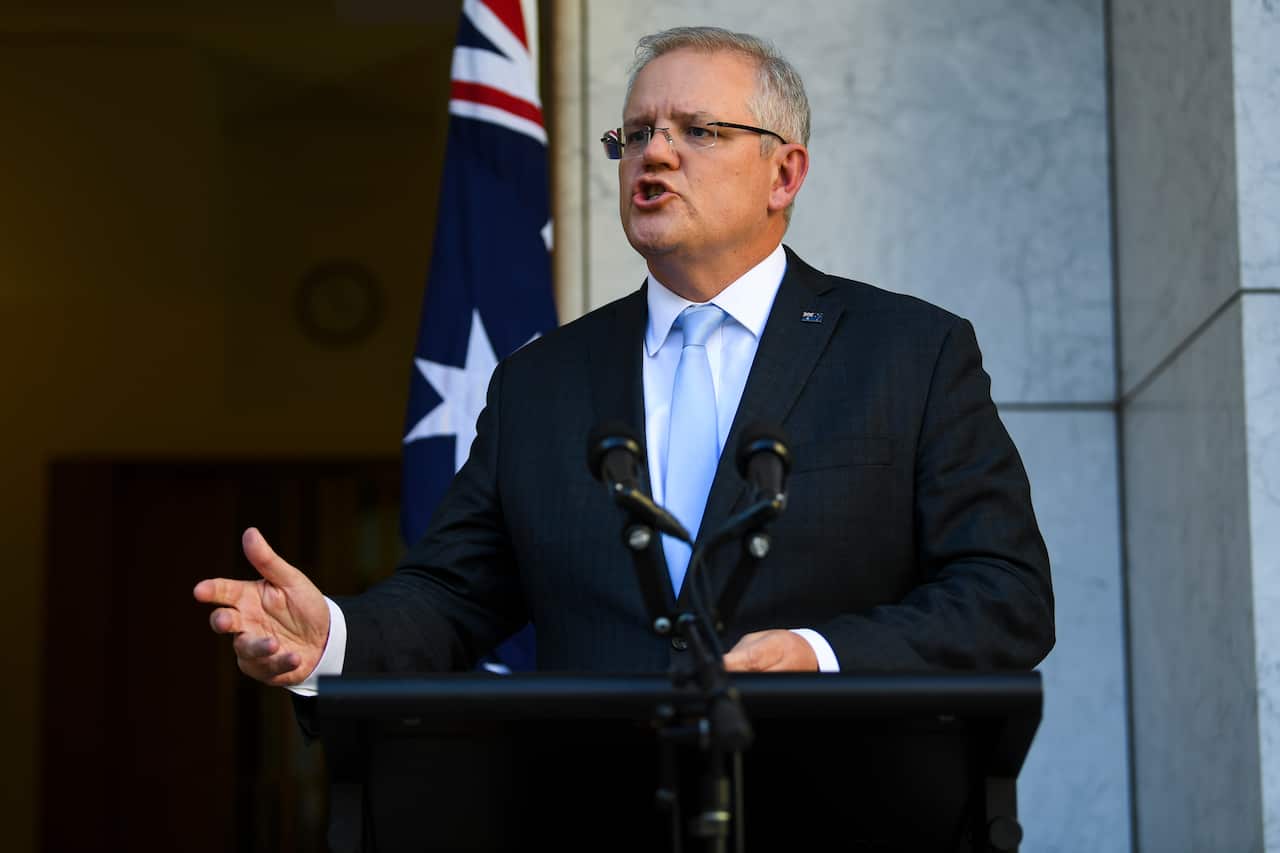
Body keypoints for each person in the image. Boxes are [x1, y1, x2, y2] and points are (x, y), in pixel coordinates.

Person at [195, 26, 1054, 687]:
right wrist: (333, 636)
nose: (655, 152)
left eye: (698, 130)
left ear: (784, 174)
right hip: (600, 808)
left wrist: (819, 654)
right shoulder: (541, 381)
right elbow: (456, 595)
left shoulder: (909, 351)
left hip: (842, 804)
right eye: (635, 133)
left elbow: (1004, 595)